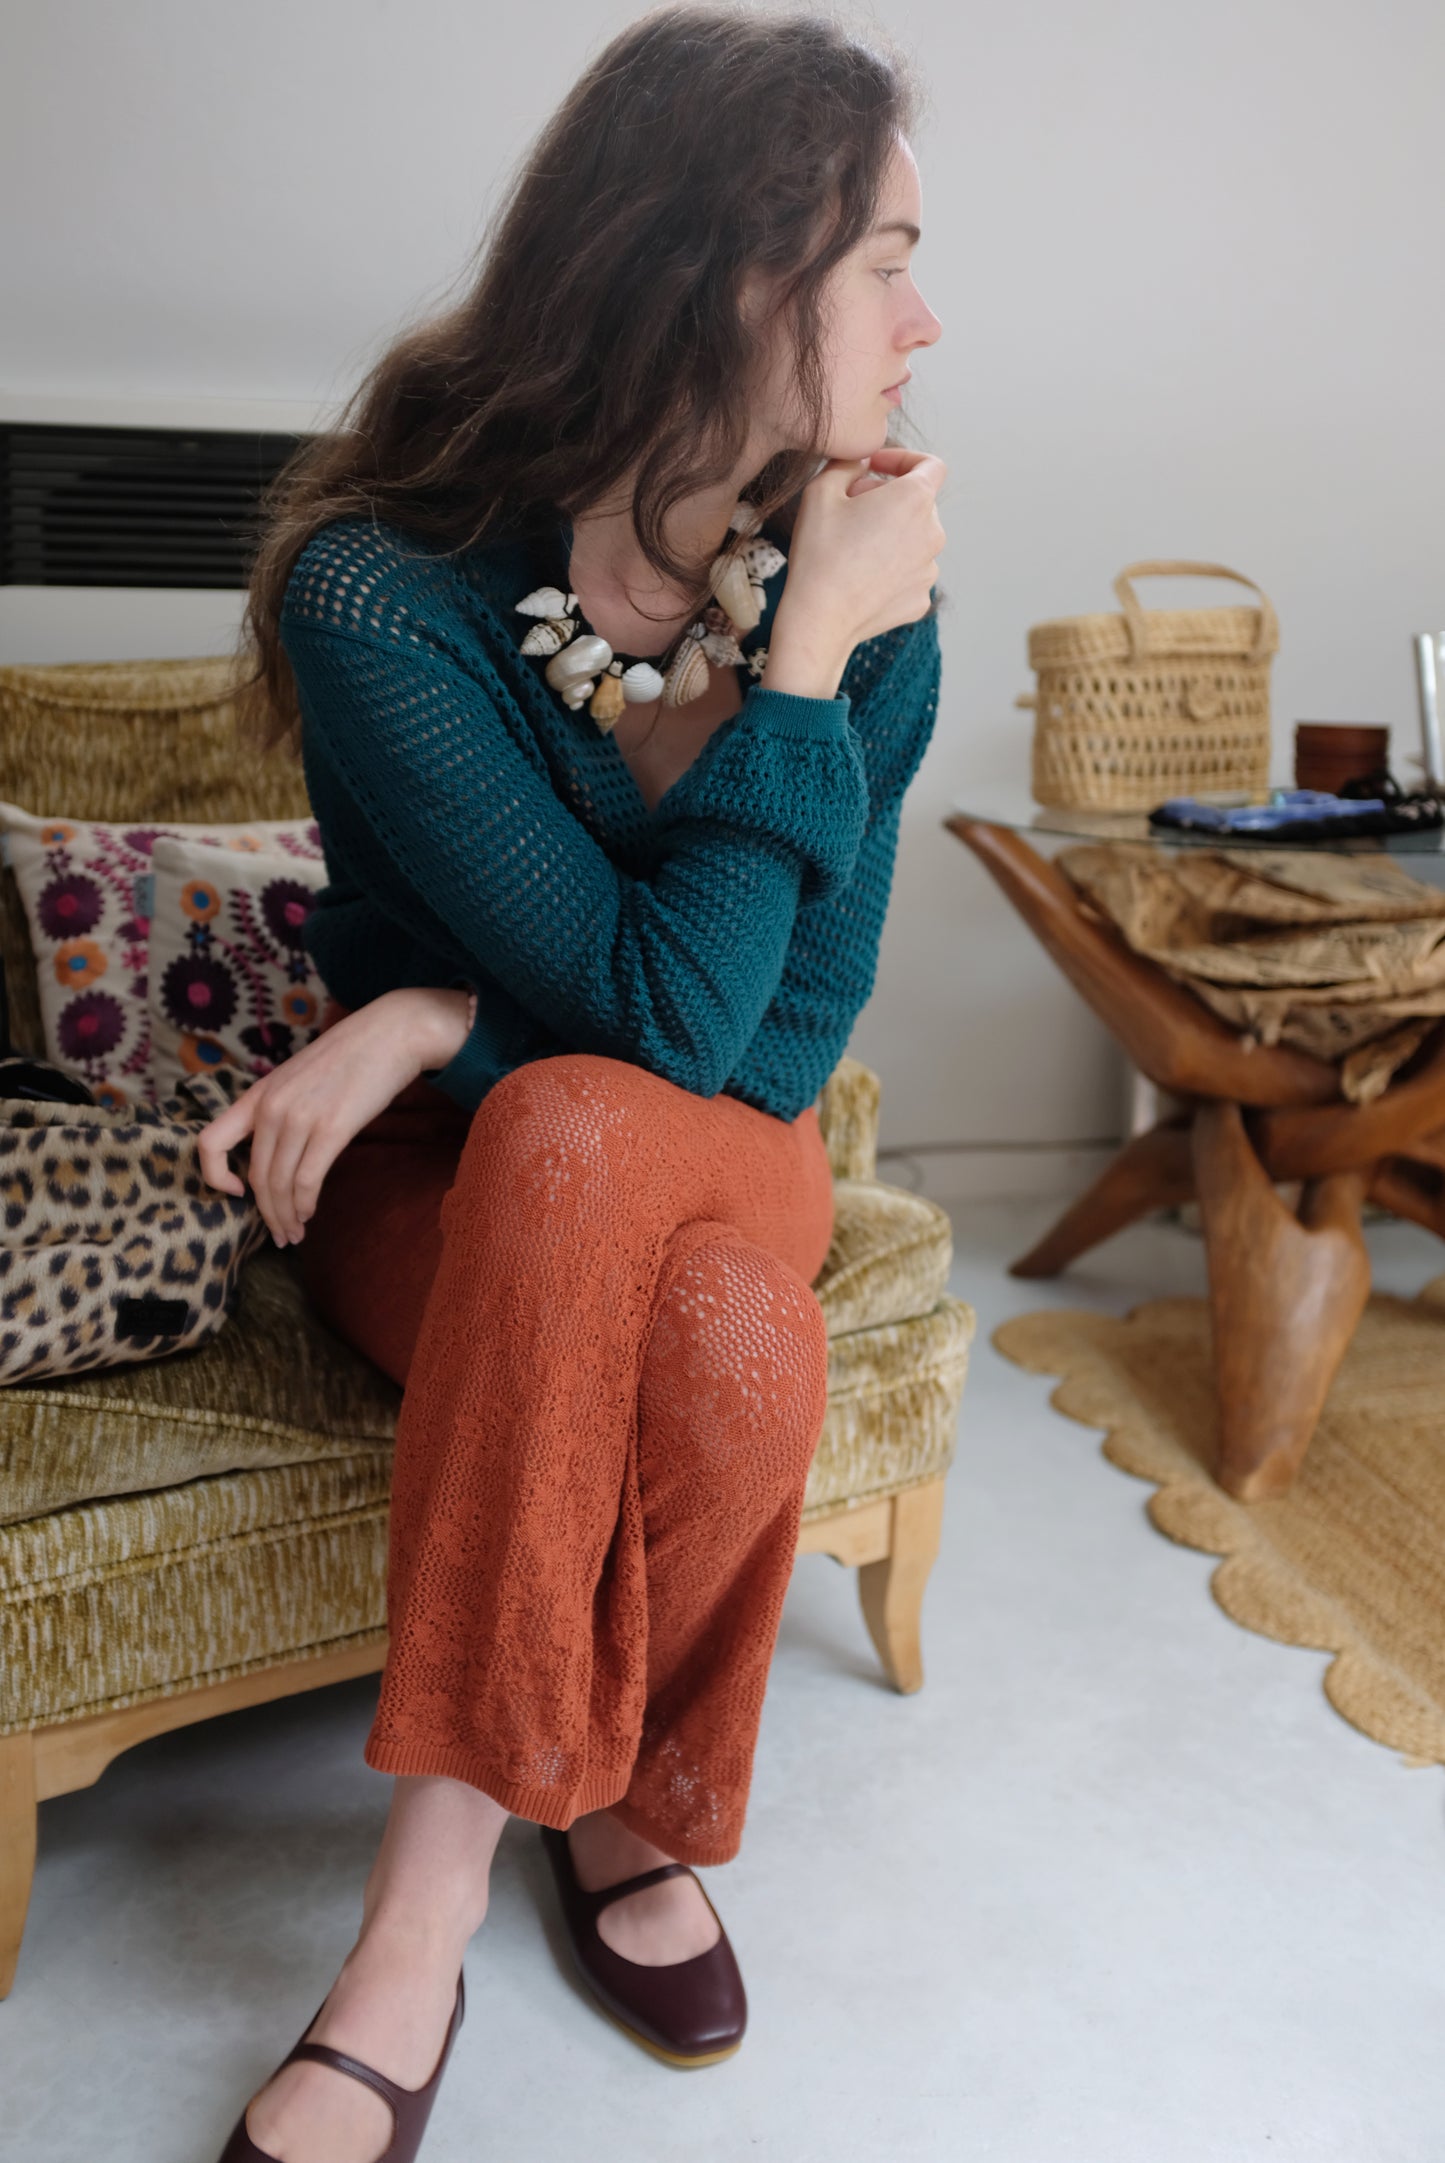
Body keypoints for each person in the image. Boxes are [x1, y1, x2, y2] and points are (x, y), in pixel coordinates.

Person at [200, 7, 944, 2158]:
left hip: (723, 1136)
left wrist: (441, 1007)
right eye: (882, 257)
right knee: (660, 1257)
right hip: (441, 1189)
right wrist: (475, 1057)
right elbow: (660, 1011)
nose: (927, 319)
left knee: (591, 1113)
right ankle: (618, 1812)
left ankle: (408, 1931)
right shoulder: (385, 588)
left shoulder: (868, 575)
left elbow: (765, 1047)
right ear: (725, 272)